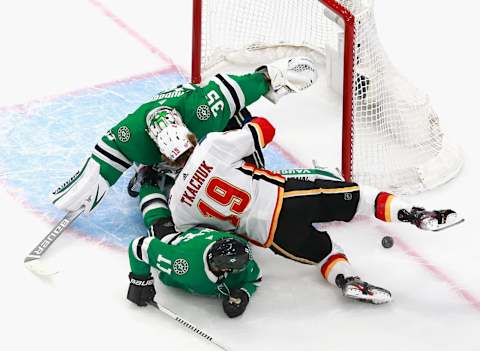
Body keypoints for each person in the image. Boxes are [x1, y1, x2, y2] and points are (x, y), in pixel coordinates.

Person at [154, 116, 460, 305]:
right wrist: (240, 127)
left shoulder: (178, 204)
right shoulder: (210, 146)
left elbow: (200, 239)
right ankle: (416, 215)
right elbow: (265, 129)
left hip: (272, 236)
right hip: (290, 197)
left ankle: (348, 280)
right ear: (187, 133)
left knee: (326, 252)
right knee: (362, 198)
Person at [48, 56, 318, 215]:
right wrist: (101, 177)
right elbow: (106, 157)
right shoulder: (131, 137)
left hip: (216, 122)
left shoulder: (205, 109)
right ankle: (154, 171)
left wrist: (273, 76)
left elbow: (245, 85)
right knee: (176, 192)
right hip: (157, 144)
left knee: (251, 171)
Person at [127, 226, 261, 318]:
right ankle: (148, 185)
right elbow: (139, 246)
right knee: (159, 220)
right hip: (179, 239)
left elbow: (255, 278)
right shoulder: (184, 264)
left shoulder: (241, 254)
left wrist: (243, 293)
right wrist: (140, 280)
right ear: (224, 267)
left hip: (207, 229)